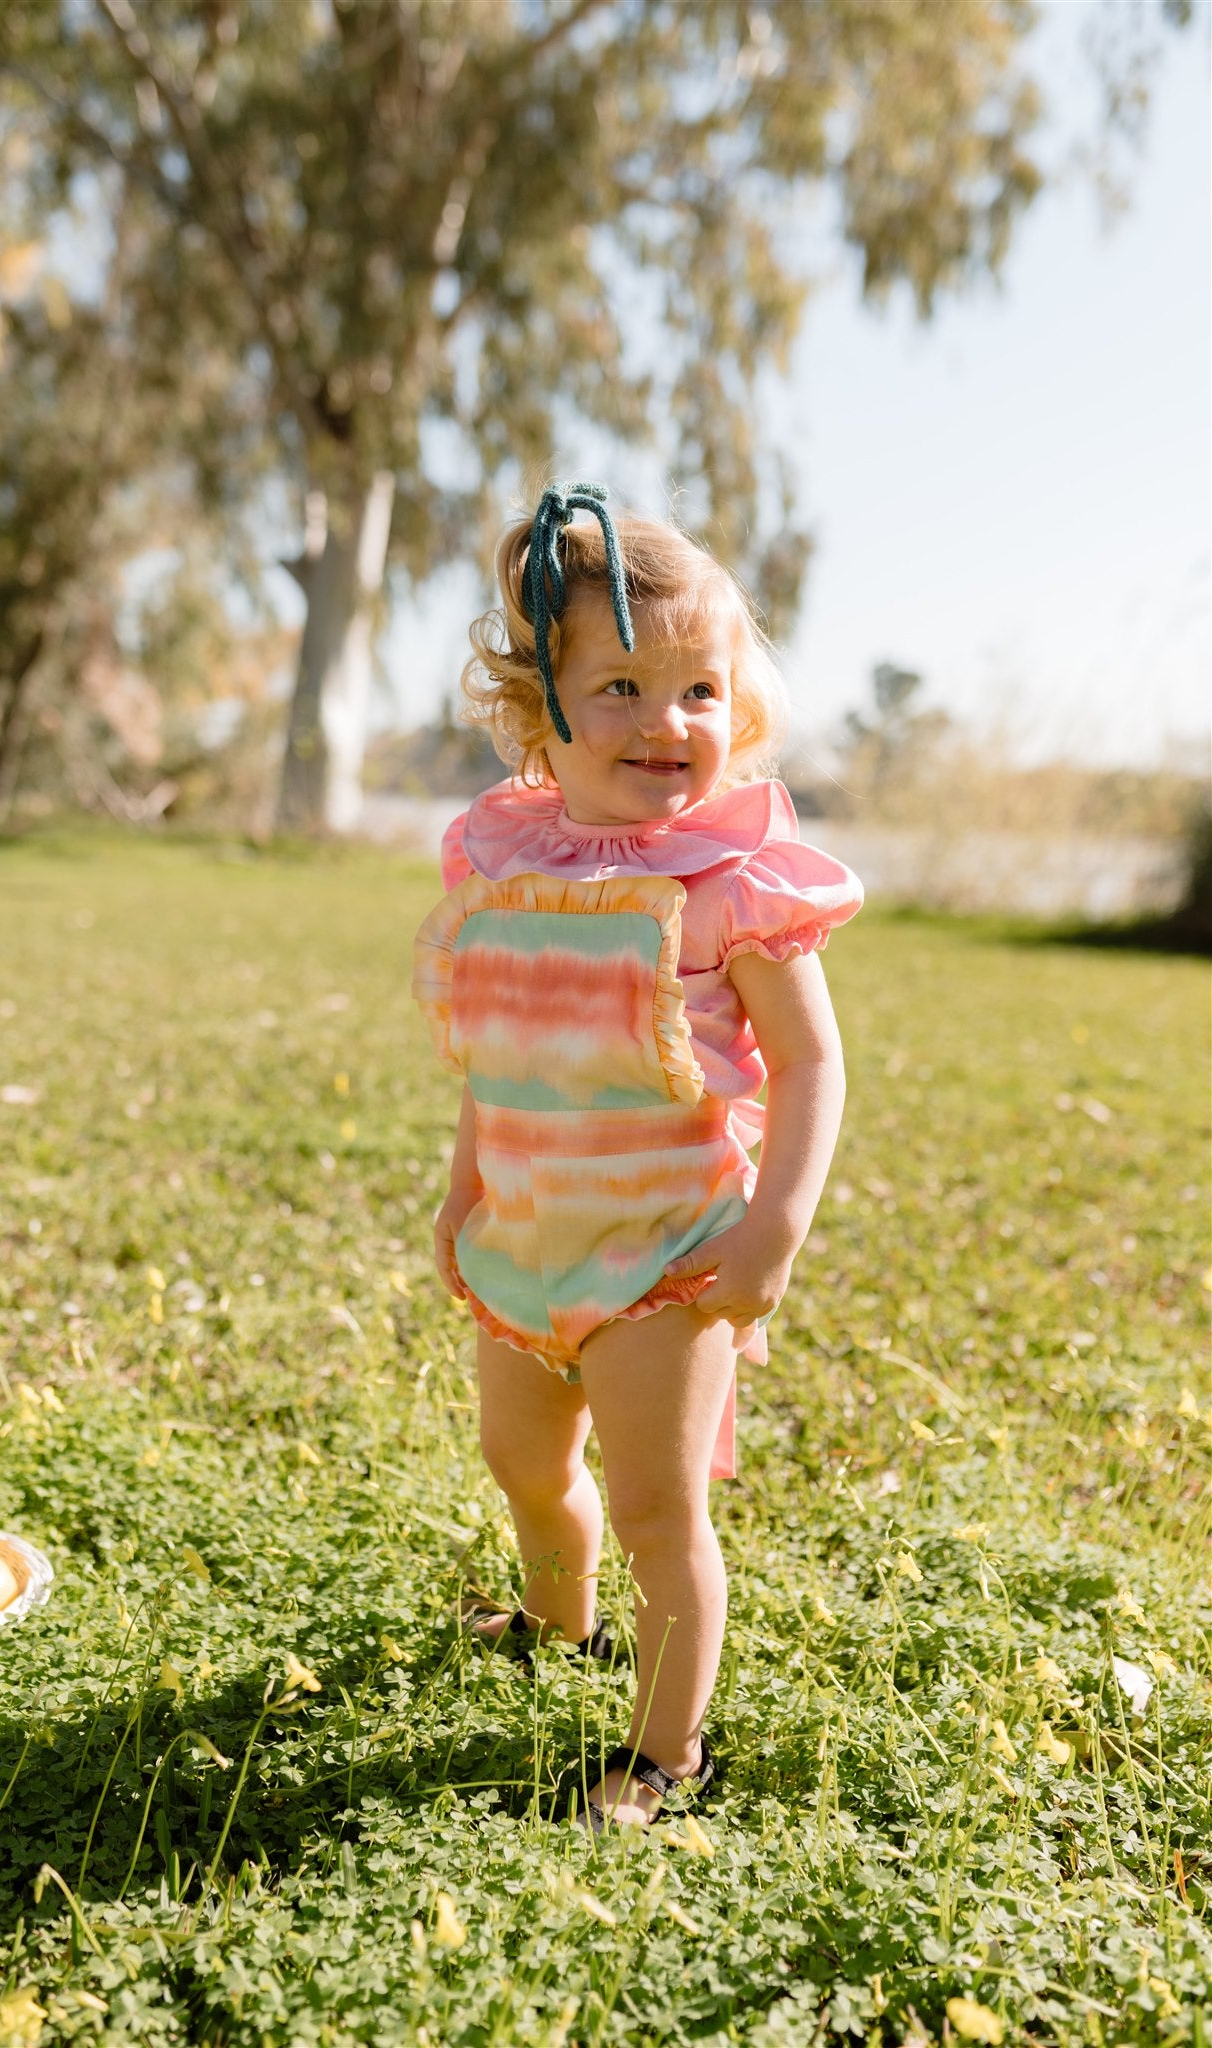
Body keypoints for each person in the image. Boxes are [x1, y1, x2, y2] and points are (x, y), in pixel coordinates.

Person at [411, 482, 862, 1834]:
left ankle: (666, 1752)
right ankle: (560, 1624)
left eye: (698, 694)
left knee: (660, 1508)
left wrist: (773, 1226)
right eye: (617, 687)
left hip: (667, 1248)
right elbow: (504, 1052)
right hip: (526, 1230)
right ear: (535, 709)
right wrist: (459, 1190)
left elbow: (811, 1066)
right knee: (521, 1463)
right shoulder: (506, 861)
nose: (665, 725)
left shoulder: (728, 881)